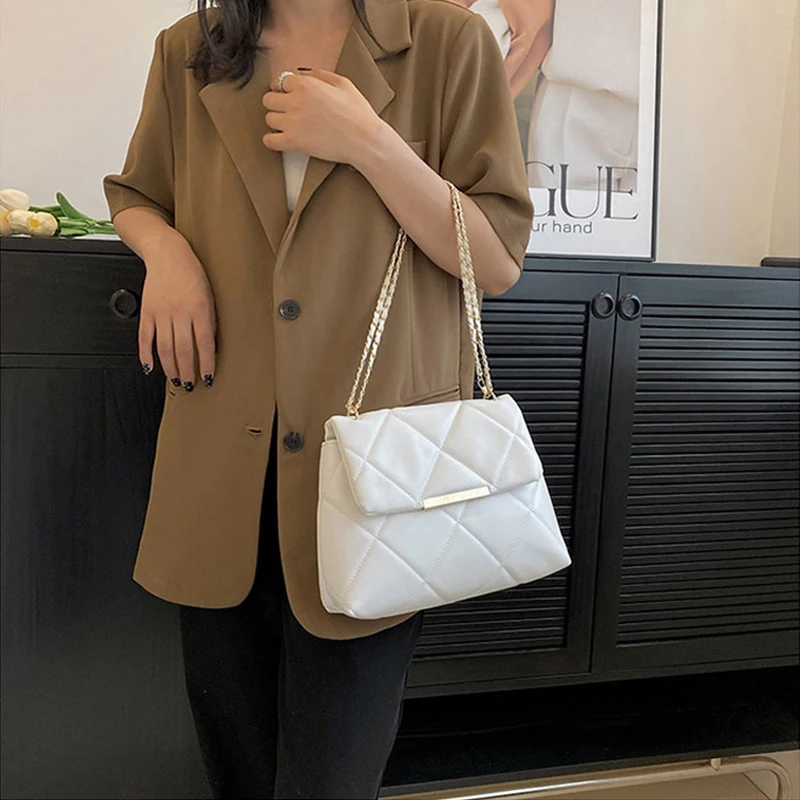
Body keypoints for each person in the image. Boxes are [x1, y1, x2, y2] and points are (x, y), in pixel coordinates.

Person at [103, 0, 532, 797]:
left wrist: (369, 141)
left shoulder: (449, 42)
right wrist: (167, 255)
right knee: (235, 770)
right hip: (219, 462)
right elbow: (137, 193)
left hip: (374, 479)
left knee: (331, 779)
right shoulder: (192, 48)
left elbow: (498, 259)